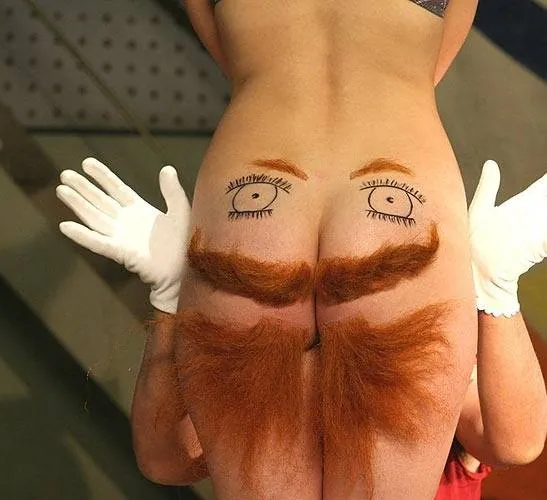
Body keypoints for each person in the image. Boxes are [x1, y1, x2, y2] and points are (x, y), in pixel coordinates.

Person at [56, 158, 547, 499]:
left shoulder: (418, 367)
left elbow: (513, 442)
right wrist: (171, 299)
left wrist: (494, 291)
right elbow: (166, 459)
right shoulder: (273, 374)